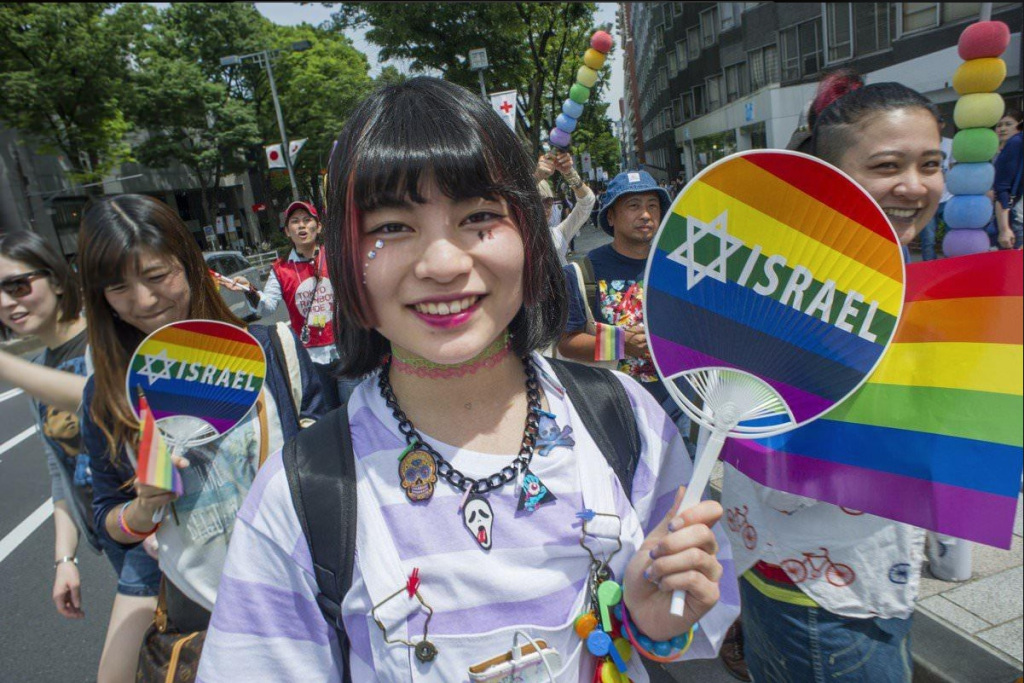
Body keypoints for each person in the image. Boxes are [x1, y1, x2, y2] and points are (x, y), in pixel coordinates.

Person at [198, 76, 740, 682]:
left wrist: (653, 620)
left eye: (479, 216)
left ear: (529, 234)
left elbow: (687, 623)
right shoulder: (297, 494)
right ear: (346, 257)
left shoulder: (627, 418)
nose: (444, 263)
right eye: (391, 227)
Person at [722, 80, 945, 683]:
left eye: (930, 164)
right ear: (829, 179)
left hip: (866, 581)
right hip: (822, 599)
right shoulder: (796, 291)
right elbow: (768, 458)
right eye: (887, 166)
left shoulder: (893, 276)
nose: (915, 185)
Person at [76, 195, 325, 669]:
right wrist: (144, 507)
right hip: (203, 616)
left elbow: (332, 461)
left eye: (157, 276)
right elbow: (109, 518)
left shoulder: (272, 351)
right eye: (119, 287)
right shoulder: (107, 395)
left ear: (190, 265)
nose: (144, 300)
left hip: (309, 592)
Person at [0, 230, 159, 683]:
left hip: (152, 530)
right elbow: (61, 470)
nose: (8, 302)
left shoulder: (103, 340)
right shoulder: (40, 368)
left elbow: (104, 397)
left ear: (55, 279)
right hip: (112, 536)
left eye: (18, 285)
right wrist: (64, 560)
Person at [556, 170, 694, 450]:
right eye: (633, 206)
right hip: (614, 412)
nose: (645, 215)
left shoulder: (680, 267)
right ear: (611, 216)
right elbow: (567, 343)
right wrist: (621, 344)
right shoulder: (581, 272)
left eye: (652, 206)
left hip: (678, 410)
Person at [232, 200, 359, 409]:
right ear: (287, 231)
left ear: (318, 227)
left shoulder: (336, 257)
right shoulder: (280, 269)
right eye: (295, 221)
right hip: (311, 358)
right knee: (328, 416)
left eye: (307, 220)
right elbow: (267, 307)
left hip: (346, 349)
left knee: (355, 410)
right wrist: (249, 290)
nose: (301, 226)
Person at [535, 151, 595, 264]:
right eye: (537, 201)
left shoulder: (557, 236)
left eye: (548, 201)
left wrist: (569, 173)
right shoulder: (514, 239)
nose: (544, 207)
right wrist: (537, 176)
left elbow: (587, 202)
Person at [993, 108, 1023, 250]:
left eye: (1008, 124)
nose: (1003, 129)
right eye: (999, 125)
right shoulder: (1016, 143)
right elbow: (1002, 188)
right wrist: (1004, 228)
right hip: (1018, 219)